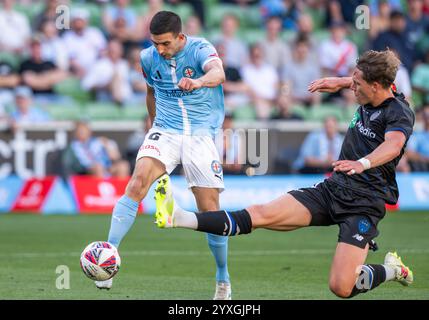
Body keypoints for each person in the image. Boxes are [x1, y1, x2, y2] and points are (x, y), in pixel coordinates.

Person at [154, 49, 415, 298]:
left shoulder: (399, 112)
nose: (352, 87)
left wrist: (363, 163)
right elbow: (360, 81)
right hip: (334, 189)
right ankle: (179, 217)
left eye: (356, 83)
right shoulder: (373, 89)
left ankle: (393, 270)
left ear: (377, 86)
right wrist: (338, 81)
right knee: (260, 214)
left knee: (342, 287)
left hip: (364, 203)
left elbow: (393, 145)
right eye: (353, 81)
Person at [97, 11, 232, 300]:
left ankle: (223, 277)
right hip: (165, 131)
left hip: (199, 135)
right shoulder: (147, 58)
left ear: (180, 37)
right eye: (155, 43)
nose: (159, 49)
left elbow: (219, 73)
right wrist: (153, 125)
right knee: (135, 185)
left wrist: (198, 81)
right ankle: (106, 260)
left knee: (211, 211)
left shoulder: (200, 49)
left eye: (166, 44)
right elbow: (150, 91)